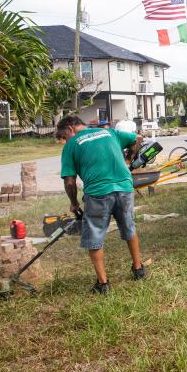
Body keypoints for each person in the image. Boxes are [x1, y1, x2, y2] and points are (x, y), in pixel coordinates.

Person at [57, 114, 148, 294]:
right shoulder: (109, 132)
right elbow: (138, 138)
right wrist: (129, 158)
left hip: (98, 194)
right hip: (124, 188)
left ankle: (103, 284)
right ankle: (138, 268)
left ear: (70, 128)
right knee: (129, 227)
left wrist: (74, 203)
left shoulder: (71, 145)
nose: (64, 141)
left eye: (63, 137)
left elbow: (69, 182)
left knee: (95, 237)